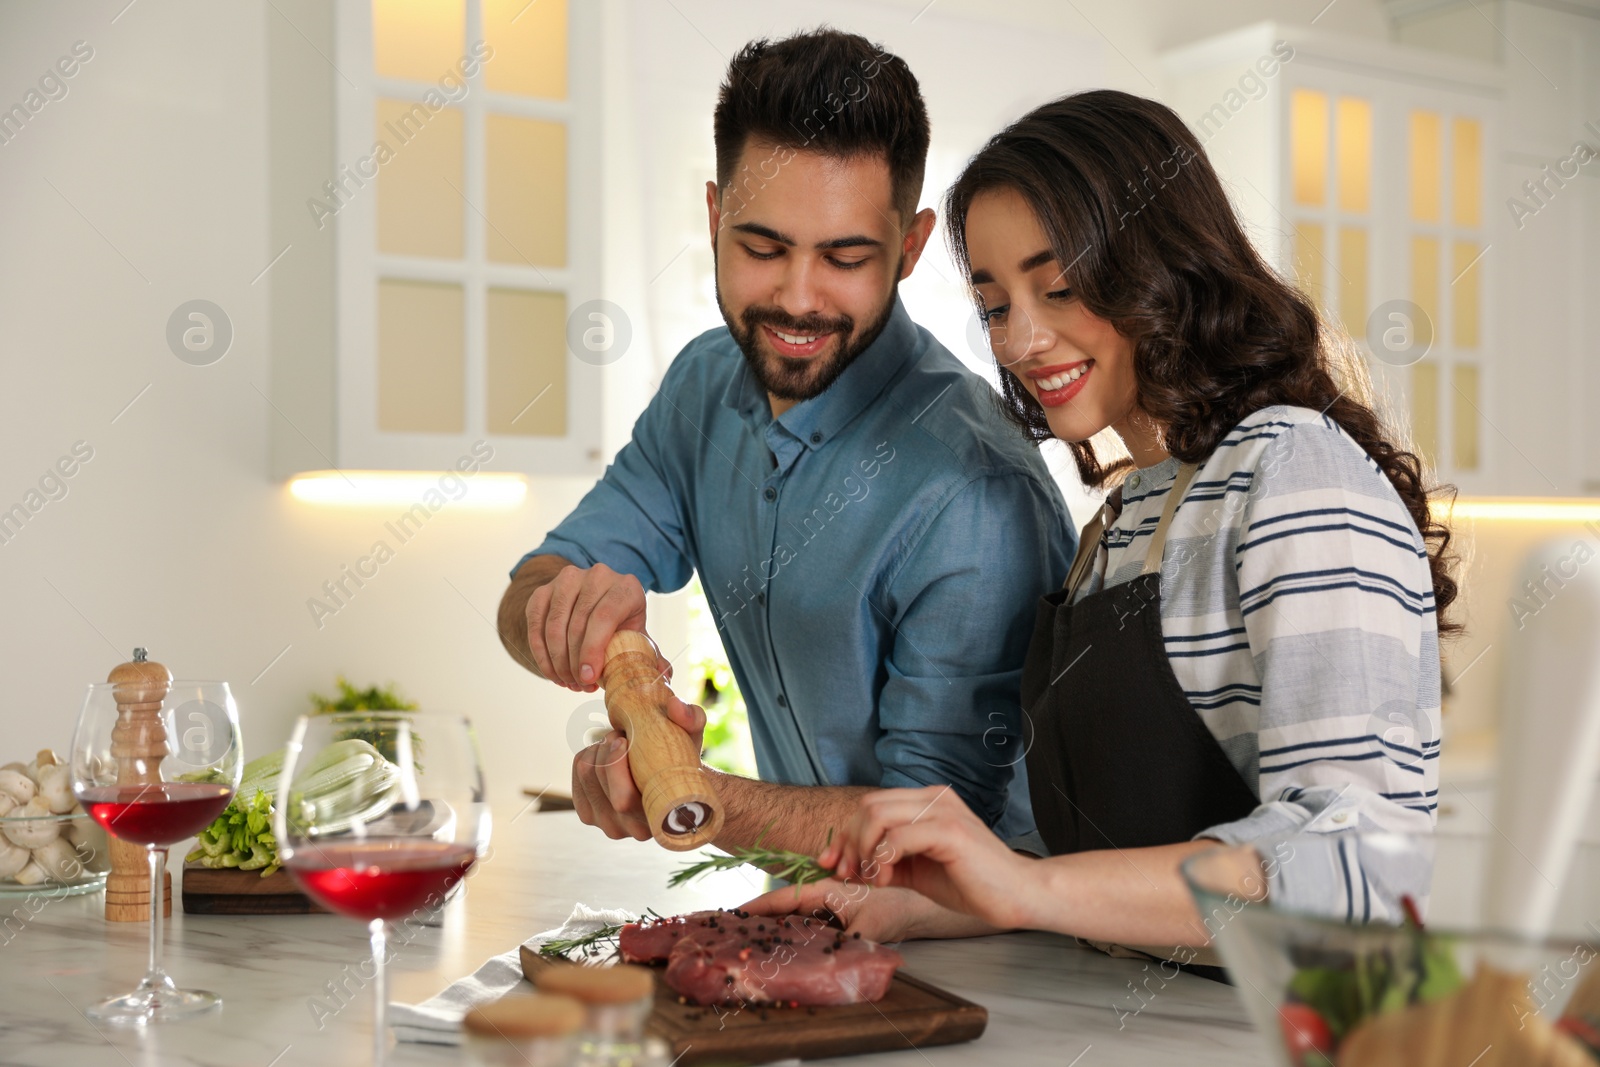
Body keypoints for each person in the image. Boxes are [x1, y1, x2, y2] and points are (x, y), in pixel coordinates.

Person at [748, 89, 1457, 953]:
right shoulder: (1123, 519)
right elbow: (1101, 868)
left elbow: (1361, 870)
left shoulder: (1290, 470)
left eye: (1062, 287)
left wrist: (1027, 884)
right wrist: (932, 903)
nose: (1022, 340)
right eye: (997, 304)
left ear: (1162, 265)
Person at [496, 29, 1074, 857]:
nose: (797, 298)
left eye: (844, 258)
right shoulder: (704, 385)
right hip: (803, 933)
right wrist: (560, 617)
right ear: (714, 216)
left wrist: (694, 796)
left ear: (908, 249)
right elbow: (534, 584)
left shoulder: (976, 489)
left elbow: (932, 842)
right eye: (762, 248)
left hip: (979, 963)